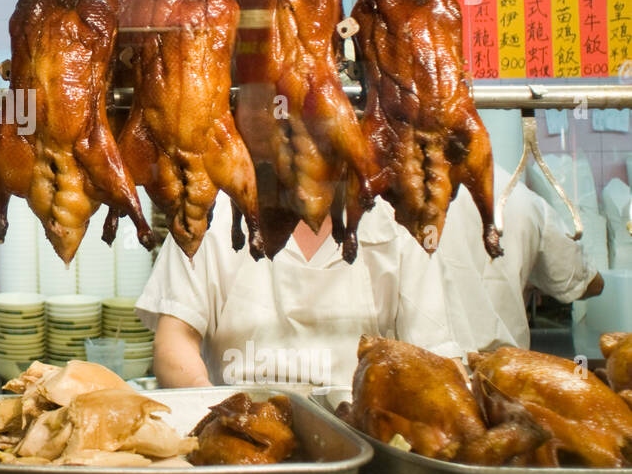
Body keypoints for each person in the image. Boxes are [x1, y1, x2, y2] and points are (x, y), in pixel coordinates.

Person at [135, 193, 462, 389]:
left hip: (363, 443)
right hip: (239, 436)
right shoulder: (214, 215)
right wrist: (205, 404)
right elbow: (174, 340)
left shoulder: (397, 226)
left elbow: (438, 359)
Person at [435, 164, 603, 352]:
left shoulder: (410, 190)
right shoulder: (521, 197)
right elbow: (588, 283)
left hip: (424, 366)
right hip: (502, 367)